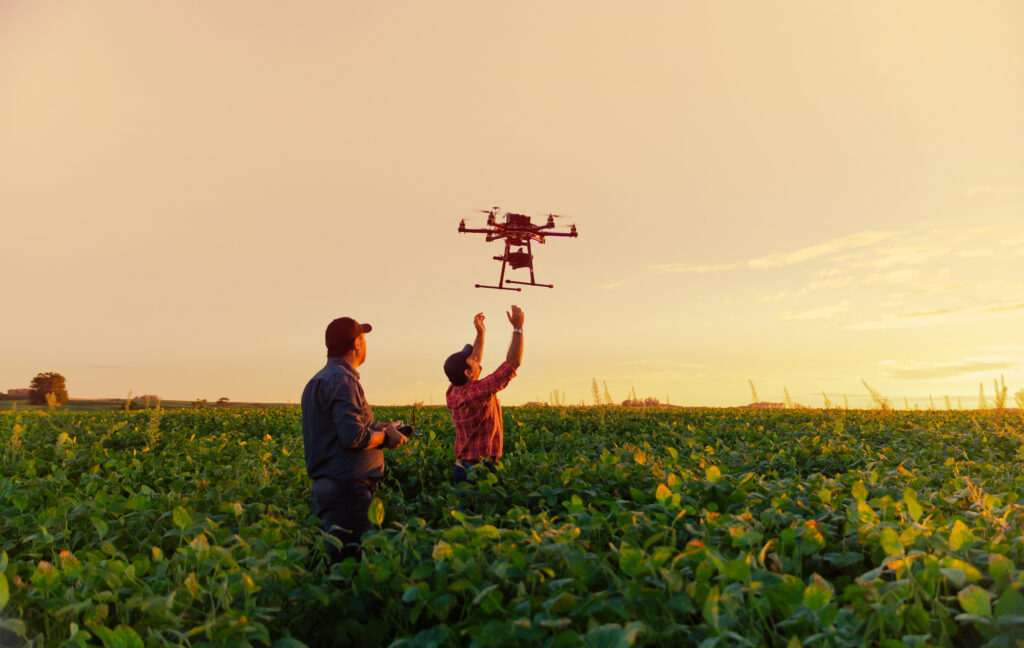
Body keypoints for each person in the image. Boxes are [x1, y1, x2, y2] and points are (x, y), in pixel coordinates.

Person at [301, 316, 408, 564]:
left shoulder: (317, 381)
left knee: (337, 564)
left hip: (327, 486)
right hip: (347, 489)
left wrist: (378, 428)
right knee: (350, 569)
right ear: (358, 343)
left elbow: (338, 430)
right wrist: (386, 437)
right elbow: (353, 437)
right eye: (364, 338)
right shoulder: (343, 380)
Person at [443, 305, 524, 489]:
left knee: (465, 516)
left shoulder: (453, 391)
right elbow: (513, 363)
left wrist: (481, 333)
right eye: (470, 359)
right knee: (489, 515)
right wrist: (518, 329)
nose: (475, 358)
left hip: (462, 467)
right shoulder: (478, 391)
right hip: (482, 469)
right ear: (468, 372)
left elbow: (475, 362)